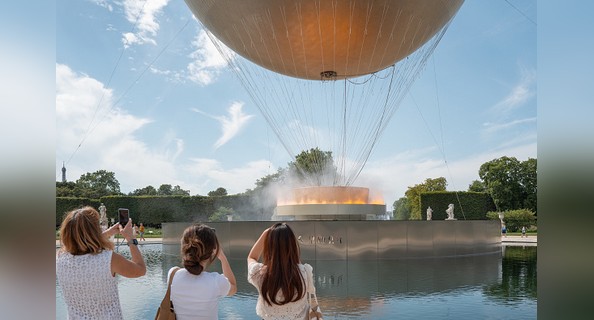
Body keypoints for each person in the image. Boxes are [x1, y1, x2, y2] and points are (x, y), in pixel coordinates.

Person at [56, 206, 146, 319]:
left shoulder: (59, 258)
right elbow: (140, 269)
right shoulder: (108, 259)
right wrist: (130, 239)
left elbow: (77, 243)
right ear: (95, 231)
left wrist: (108, 233)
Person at [247, 222, 316, 319]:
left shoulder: (260, 273)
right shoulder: (304, 272)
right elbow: (296, 260)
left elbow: (251, 257)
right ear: (292, 245)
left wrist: (266, 234)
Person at [167, 224, 237, 319]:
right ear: (213, 250)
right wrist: (223, 258)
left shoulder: (173, 274)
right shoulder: (216, 281)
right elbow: (233, 287)